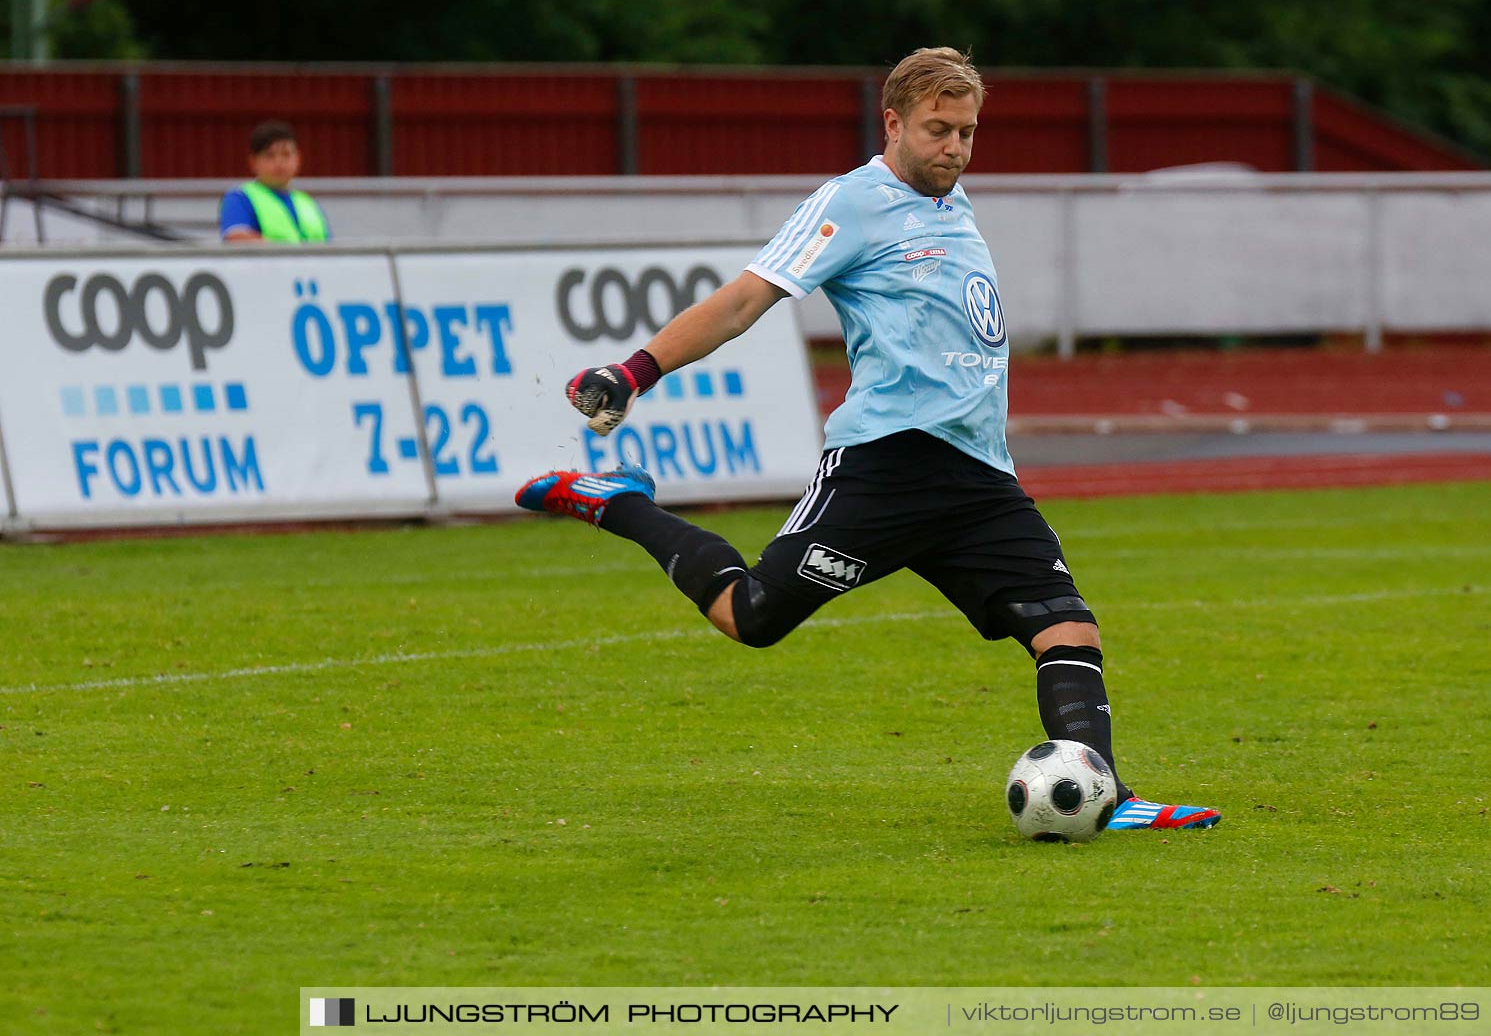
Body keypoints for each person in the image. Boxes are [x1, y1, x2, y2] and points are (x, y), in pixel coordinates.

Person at [517, 47, 1218, 832]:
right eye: (937, 130)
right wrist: (635, 370)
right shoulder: (853, 202)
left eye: (968, 132)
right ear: (892, 122)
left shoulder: (957, 206)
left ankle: (1106, 798)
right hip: (888, 464)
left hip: (980, 478)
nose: (955, 148)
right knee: (750, 617)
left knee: (1065, 623)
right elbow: (748, 298)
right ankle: (619, 504)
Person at [218, 120, 331, 243]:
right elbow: (238, 238)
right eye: (270, 155)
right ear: (253, 162)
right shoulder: (240, 198)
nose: (279, 163)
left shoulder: (307, 203)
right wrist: (290, 257)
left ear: (298, 159)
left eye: (286, 154)